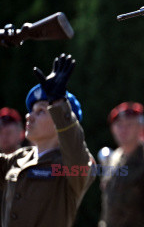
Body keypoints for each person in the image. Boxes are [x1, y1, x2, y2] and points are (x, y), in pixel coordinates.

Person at [0, 53, 95, 227]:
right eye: (31, 111)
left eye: (41, 111)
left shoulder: (72, 167)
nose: (29, 117)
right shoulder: (18, 159)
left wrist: (58, 103)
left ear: (59, 121)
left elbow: (76, 152)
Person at [99, 101, 144, 227]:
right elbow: (108, 203)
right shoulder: (113, 159)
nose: (123, 130)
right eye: (119, 125)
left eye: (129, 125)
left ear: (141, 128)